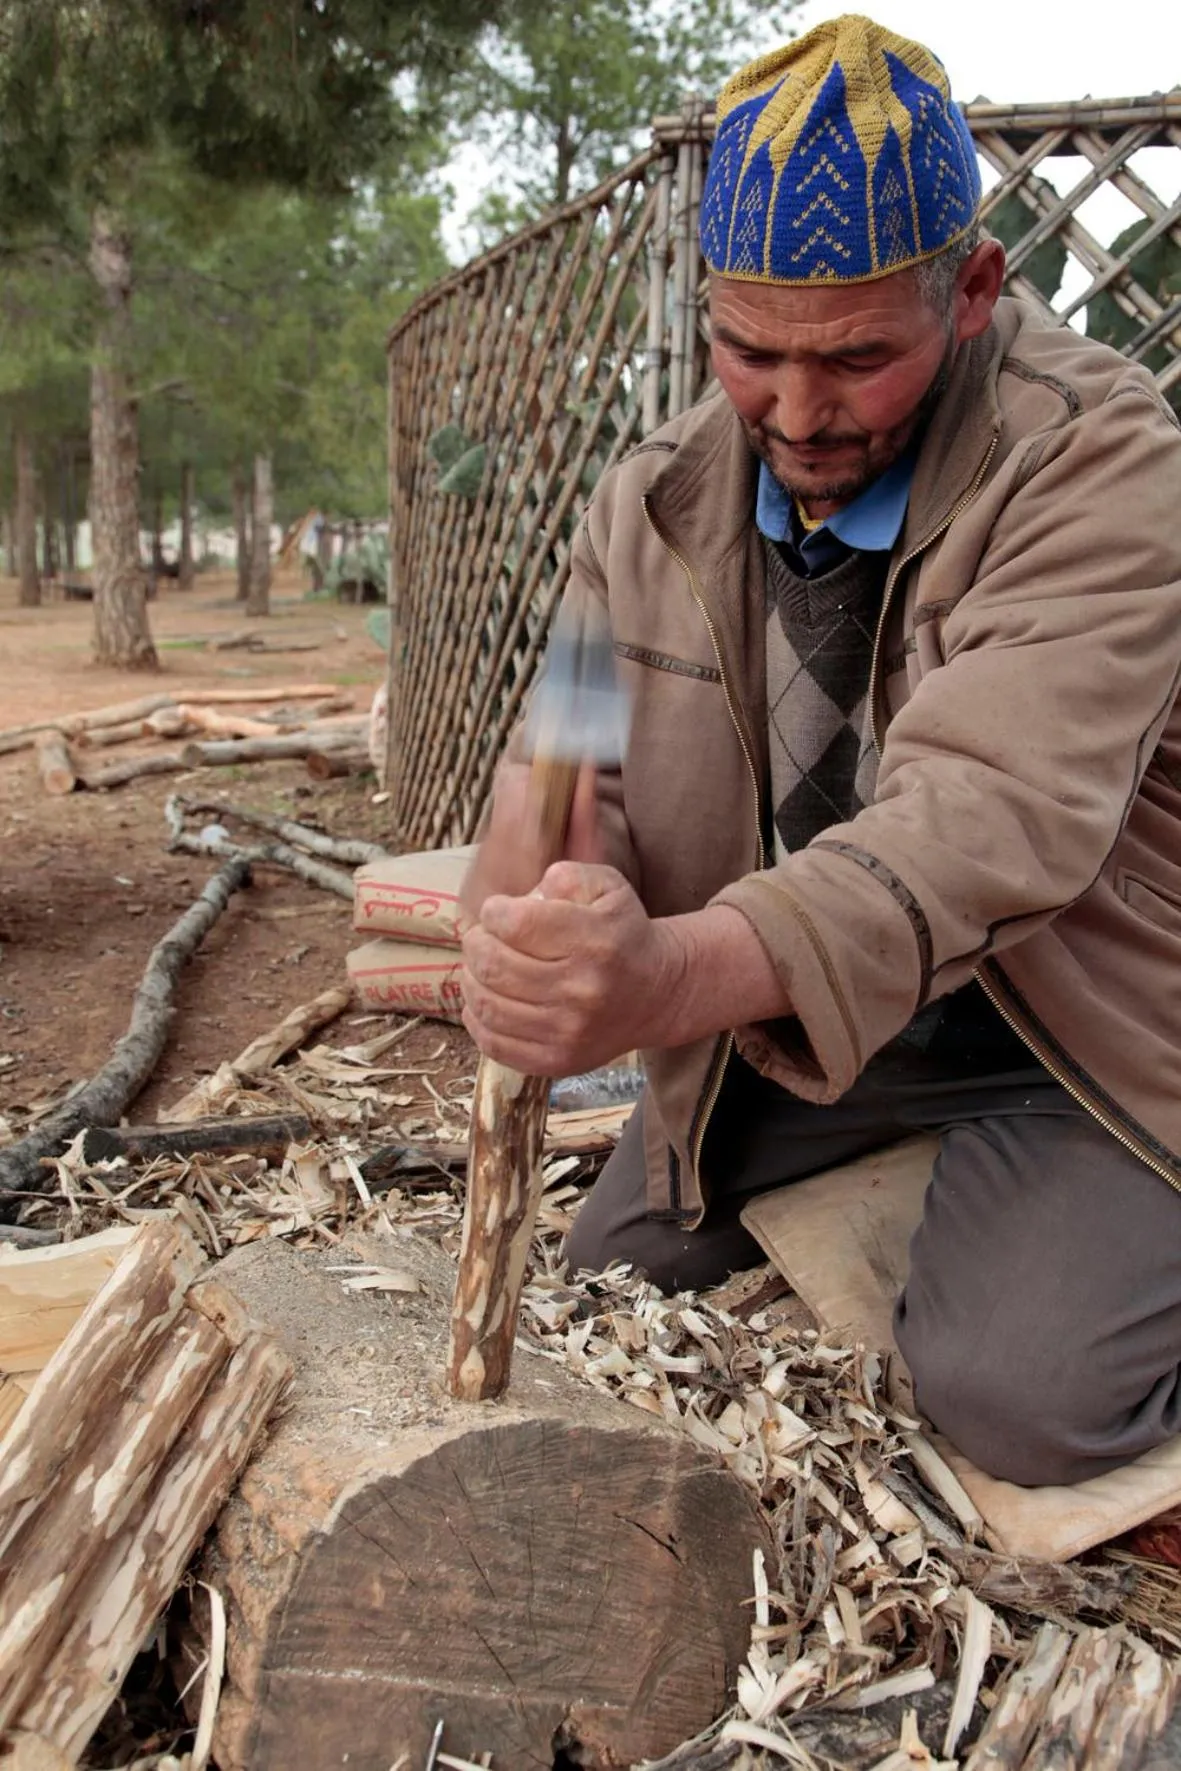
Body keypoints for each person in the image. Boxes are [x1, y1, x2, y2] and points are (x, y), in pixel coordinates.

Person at [459, 13, 1181, 1488]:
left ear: (974, 289)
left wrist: (660, 977)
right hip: (817, 1023)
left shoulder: (1100, 458)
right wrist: (537, 919)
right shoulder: (646, 506)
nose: (796, 414)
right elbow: (564, 768)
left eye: (857, 359)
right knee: (616, 1285)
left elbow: (982, 821)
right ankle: (947, 1189)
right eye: (747, 351)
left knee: (1022, 1397)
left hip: (1086, 1025)